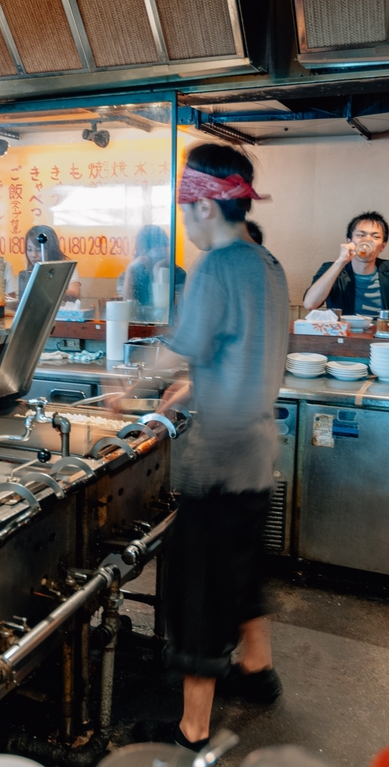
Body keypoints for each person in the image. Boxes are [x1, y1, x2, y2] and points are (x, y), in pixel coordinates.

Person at [137, 144, 289, 751]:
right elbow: (241, 346)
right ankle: (257, 670)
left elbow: (183, 343)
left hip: (220, 457)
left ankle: (192, 729)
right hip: (257, 452)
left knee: (195, 587)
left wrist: (129, 383)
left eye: (184, 209)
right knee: (243, 565)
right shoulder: (267, 262)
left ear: (202, 205)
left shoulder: (218, 266)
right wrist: (190, 387)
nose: (184, 221)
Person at [303, 211, 389, 315]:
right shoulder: (331, 269)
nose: (367, 240)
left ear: (383, 246)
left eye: (375, 237)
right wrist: (340, 262)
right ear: (349, 241)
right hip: (345, 330)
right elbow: (310, 304)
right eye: (361, 235)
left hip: (382, 330)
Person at [117, 225, 186, 317]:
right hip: (136, 328)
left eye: (165, 245)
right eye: (158, 247)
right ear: (142, 251)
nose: (164, 251)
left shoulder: (178, 274)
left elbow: (168, 313)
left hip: (167, 329)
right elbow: (127, 312)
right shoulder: (127, 276)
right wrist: (130, 271)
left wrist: (158, 272)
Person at [19, 225, 81, 300]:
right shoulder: (30, 269)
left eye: (39, 250)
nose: (33, 255)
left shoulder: (67, 268)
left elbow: (75, 293)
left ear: (51, 250)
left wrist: (47, 291)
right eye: (29, 249)